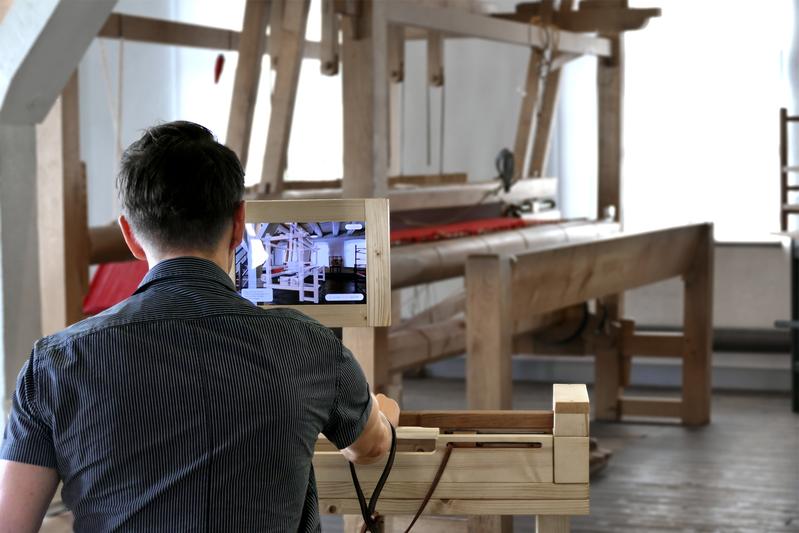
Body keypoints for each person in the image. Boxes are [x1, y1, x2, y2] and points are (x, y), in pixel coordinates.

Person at [0, 121, 399, 532]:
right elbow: (372, 447)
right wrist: (379, 411)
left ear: (130, 236)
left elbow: (11, 523)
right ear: (239, 223)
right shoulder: (310, 347)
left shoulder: (54, 363)